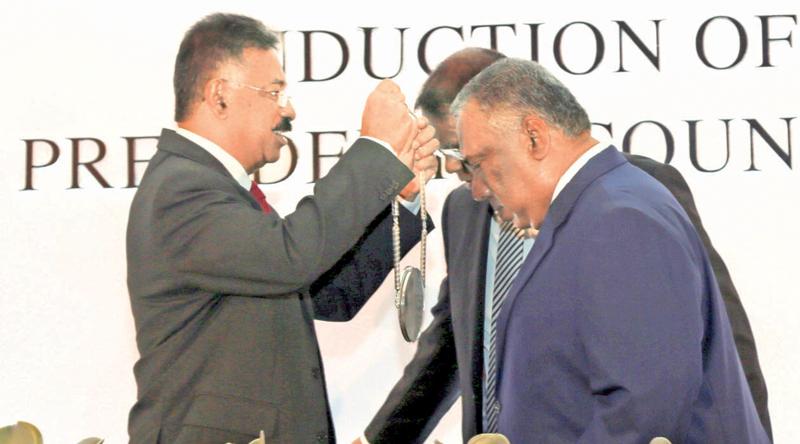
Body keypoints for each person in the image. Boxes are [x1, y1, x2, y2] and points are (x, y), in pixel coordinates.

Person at [361, 48, 771, 443]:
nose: (478, 188)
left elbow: (642, 405)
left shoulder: (620, 216)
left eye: (479, 163)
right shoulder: (591, 207)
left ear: (533, 137)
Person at [126, 13, 438, 444]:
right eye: (274, 92)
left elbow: (329, 295)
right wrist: (375, 151)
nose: (288, 109)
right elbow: (292, 259)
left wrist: (401, 196)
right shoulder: (182, 187)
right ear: (220, 95)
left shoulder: (214, 188)